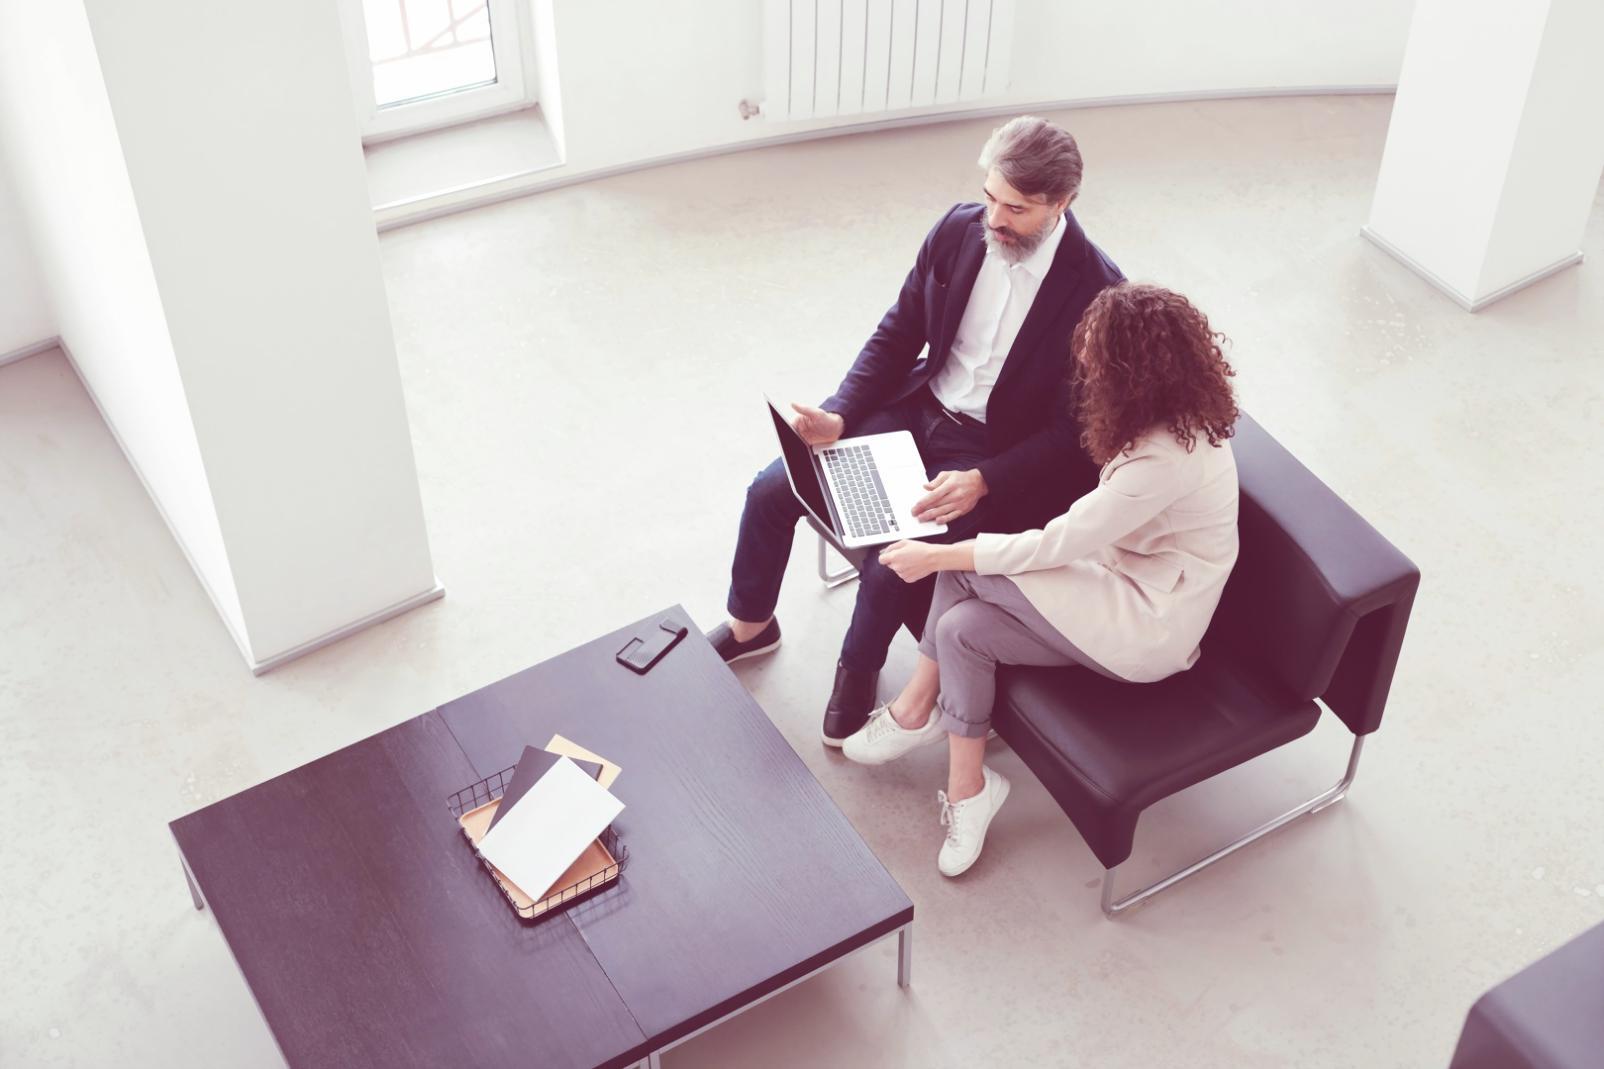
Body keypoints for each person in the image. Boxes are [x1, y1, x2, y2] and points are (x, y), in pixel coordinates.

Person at [707, 116, 1124, 747]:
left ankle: (858, 671)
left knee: (892, 558)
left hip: (992, 451)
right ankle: (751, 625)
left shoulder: (1100, 295)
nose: (995, 218)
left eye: (1016, 208)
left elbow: (1076, 434)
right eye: (990, 196)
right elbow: (900, 331)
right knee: (773, 487)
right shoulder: (959, 228)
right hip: (916, 405)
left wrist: (985, 481)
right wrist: (842, 412)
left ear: (1062, 202)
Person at [840, 282, 1242, 877]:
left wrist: (933, 558)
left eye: (1096, 360)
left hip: (1147, 624)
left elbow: (1059, 543)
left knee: (961, 566)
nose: (1084, 370)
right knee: (961, 631)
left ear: (1132, 372)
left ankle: (915, 708)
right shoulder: (1165, 419)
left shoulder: (1164, 458)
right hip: (1113, 580)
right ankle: (970, 790)